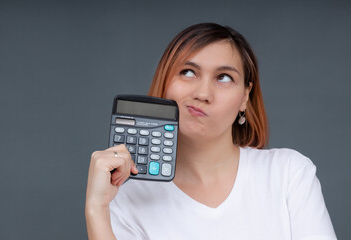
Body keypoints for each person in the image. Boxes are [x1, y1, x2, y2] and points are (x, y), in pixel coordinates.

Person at [85, 23, 337, 239]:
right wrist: (97, 208)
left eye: (224, 77)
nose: (203, 94)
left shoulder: (289, 174)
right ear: (165, 83)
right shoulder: (128, 196)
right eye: (188, 72)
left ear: (245, 97)